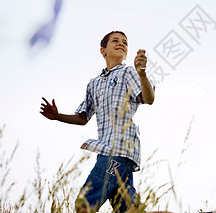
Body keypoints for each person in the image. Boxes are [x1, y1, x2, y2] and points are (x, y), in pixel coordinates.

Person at [39, 31, 155, 212]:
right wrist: (57, 116)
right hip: (105, 149)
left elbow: (148, 98)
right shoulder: (94, 83)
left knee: (84, 205)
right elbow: (83, 117)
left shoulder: (128, 72)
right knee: (131, 210)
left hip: (120, 149)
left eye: (124, 42)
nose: (121, 44)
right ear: (103, 50)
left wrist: (142, 74)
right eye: (115, 41)